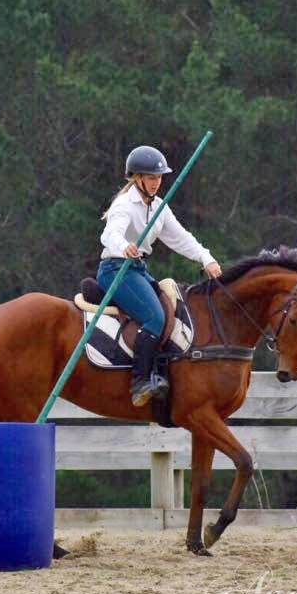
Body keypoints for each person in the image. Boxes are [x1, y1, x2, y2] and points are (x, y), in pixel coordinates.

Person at [98, 145, 223, 407]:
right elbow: (109, 234)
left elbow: (181, 238)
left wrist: (206, 258)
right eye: (152, 178)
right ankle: (140, 382)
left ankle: (160, 373)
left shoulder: (159, 207)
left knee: (170, 311)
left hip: (137, 269)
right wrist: (124, 246)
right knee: (155, 317)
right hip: (115, 269)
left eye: (160, 178)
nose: (157, 183)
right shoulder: (124, 204)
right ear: (137, 178)